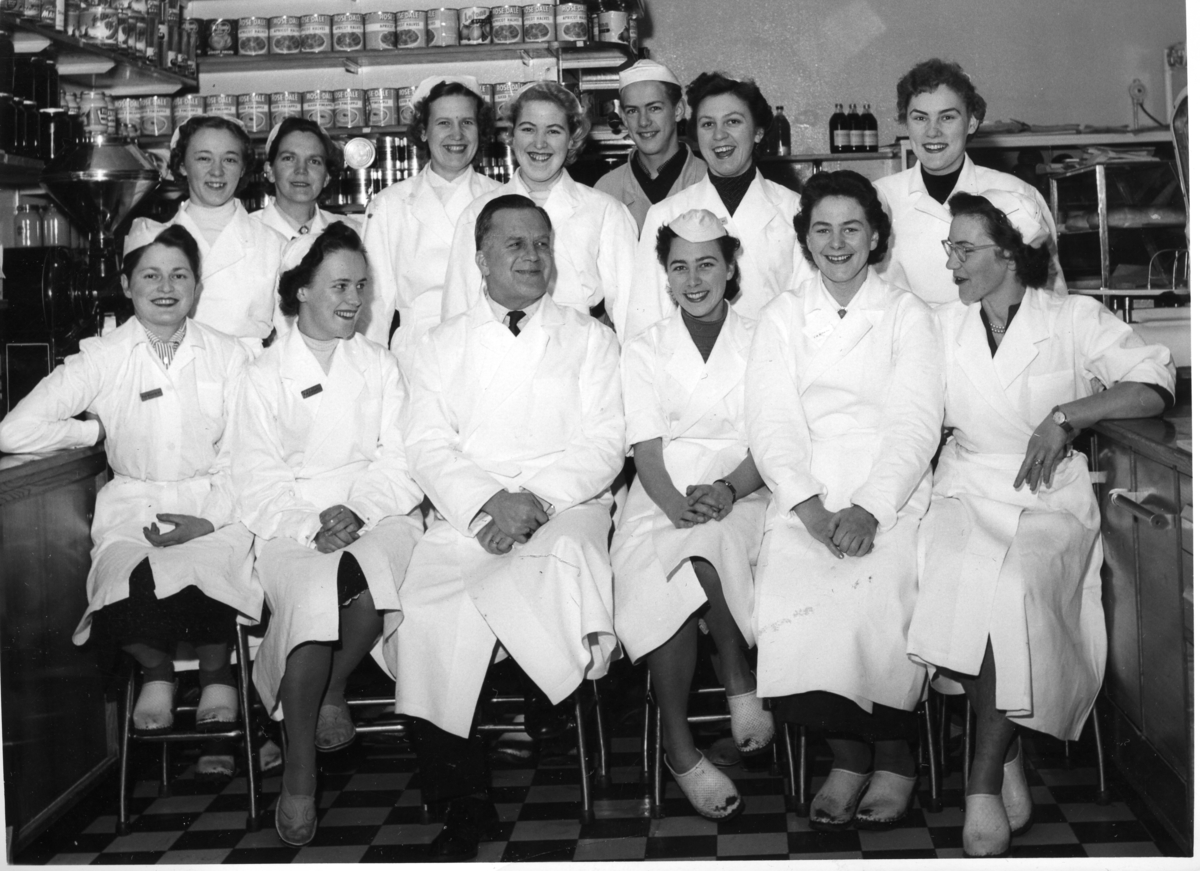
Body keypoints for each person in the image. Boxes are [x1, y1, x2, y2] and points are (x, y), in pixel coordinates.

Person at [907, 190, 1174, 857]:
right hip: (966, 486)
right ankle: (1002, 754)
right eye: (948, 247)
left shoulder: (1074, 318)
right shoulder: (940, 325)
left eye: (963, 248)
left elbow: (1152, 384)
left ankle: (980, 781)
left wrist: (1067, 415)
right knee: (954, 576)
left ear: (1009, 253)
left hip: (1046, 496)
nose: (950, 262)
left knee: (1013, 587)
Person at [399, 195, 625, 860]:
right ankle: (462, 799)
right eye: (515, 244)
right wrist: (487, 503)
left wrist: (536, 501)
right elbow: (426, 443)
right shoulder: (439, 344)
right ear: (480, 259)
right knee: (425, 610)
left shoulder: (590, 337)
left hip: (565, 504)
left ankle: (546, 694)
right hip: (472, 513)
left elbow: (605, 440)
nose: (532, 256)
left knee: (558, 565)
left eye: (542, 244)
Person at [0, 224, 260, 779]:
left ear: (197, 285)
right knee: (123, 587)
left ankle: (217, 678)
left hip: (215, 505)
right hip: (133, 508)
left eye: (179, 275)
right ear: (126, 284)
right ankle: (158, 673)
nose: (165, 288)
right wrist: (91, 432)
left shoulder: (229, 354)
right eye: (150, 275)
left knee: (210, 576)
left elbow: (248, 455)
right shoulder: (103, 355)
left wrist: (208, 520)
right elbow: (14, 430)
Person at [745, 171, 943, 831]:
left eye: (851, 228)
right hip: (805, 493)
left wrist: (869, 509)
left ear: (876, 236)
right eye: (822, 229)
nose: (837, 243)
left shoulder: (908, 314)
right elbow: (770, 423)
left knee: (876, 594)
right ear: (804, 239)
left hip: (889, 492)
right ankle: (848, 757)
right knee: (793, 597)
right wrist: (809, 508)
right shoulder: (781, 316)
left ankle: (896, 758)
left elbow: (915, 425)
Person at [230, 223, 424, 847]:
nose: (354, 299)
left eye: (361, 286)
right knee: (313, 595)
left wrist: (359, 510)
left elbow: (400, 458)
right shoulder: (261, 374)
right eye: (340, 285)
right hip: (290, 518)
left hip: (378, 509)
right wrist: (308, 524)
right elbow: (255, 475)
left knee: (372, 578)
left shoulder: (380, 364)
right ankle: (300, 770)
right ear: (302, 290)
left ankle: (333, 688)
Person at [611, 209, 772, 820]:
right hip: (662, 496)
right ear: (666, 275)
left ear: (730, 268)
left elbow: (775, 440)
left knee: (706, 550)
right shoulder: (644, 348)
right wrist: (676, 505)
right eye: (679, 267)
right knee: (665, 574)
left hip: (746, 487)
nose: (694, 279)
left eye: (707, 264)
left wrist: (729, 490)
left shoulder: (765, 338)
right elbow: (646, 450)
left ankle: (731, 680)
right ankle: (689, 741)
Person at [440, 82, 638, 338]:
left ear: (572, 138)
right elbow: (456, 314)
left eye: (553, 131)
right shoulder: (476, 212)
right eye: (528, 129)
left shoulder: (606, 211)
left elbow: (632, 315)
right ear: (512, 135)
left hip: (578, 350)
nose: (540, 143)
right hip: (497, 351)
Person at [624, 71, 814, 339]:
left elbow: (808, 310)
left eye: (733, 122)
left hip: (775, 355)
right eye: (707, 124)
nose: (719, 135)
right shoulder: (665, 214)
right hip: (693, 360)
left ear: (758, 132)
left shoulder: (794, 210)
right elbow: (644, 322)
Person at [874, 58, 1066, 305]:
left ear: (972, 122)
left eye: (947, 118)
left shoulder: (1018, 195)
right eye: (920, 118)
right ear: (906, 124)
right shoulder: (880, 198)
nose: (932, 131)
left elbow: (1051, 299)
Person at [360, 75, 501, 372]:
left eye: (467, 122)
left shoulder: (502, 199)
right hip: (414, 359)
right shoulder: (389, 205)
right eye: (444, 123)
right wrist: (371, 375)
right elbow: (375, 304)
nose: (457, 134)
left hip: (487, 352)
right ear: (423, 132)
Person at [126, 115, 288, 352]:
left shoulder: (274, 244)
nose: (217, 172)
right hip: (176, 365)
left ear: (243, 168)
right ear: (182, 165)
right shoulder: (152, 241)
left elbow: (288, 337)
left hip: (249, 370)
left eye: (229, 160)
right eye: (204, 158)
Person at [594, 59, 708, 234]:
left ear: (678, 110)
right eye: (632, 111)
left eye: (654, 108)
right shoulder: (606, 190)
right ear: (624, 118)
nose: (643, 122)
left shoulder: (708, 180)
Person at [253, 116, 360, 240]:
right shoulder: (245, 232)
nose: (301, 170)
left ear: (327, 176)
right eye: (289, 158)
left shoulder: (353, 234)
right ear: (270, 171)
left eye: (314, 161)